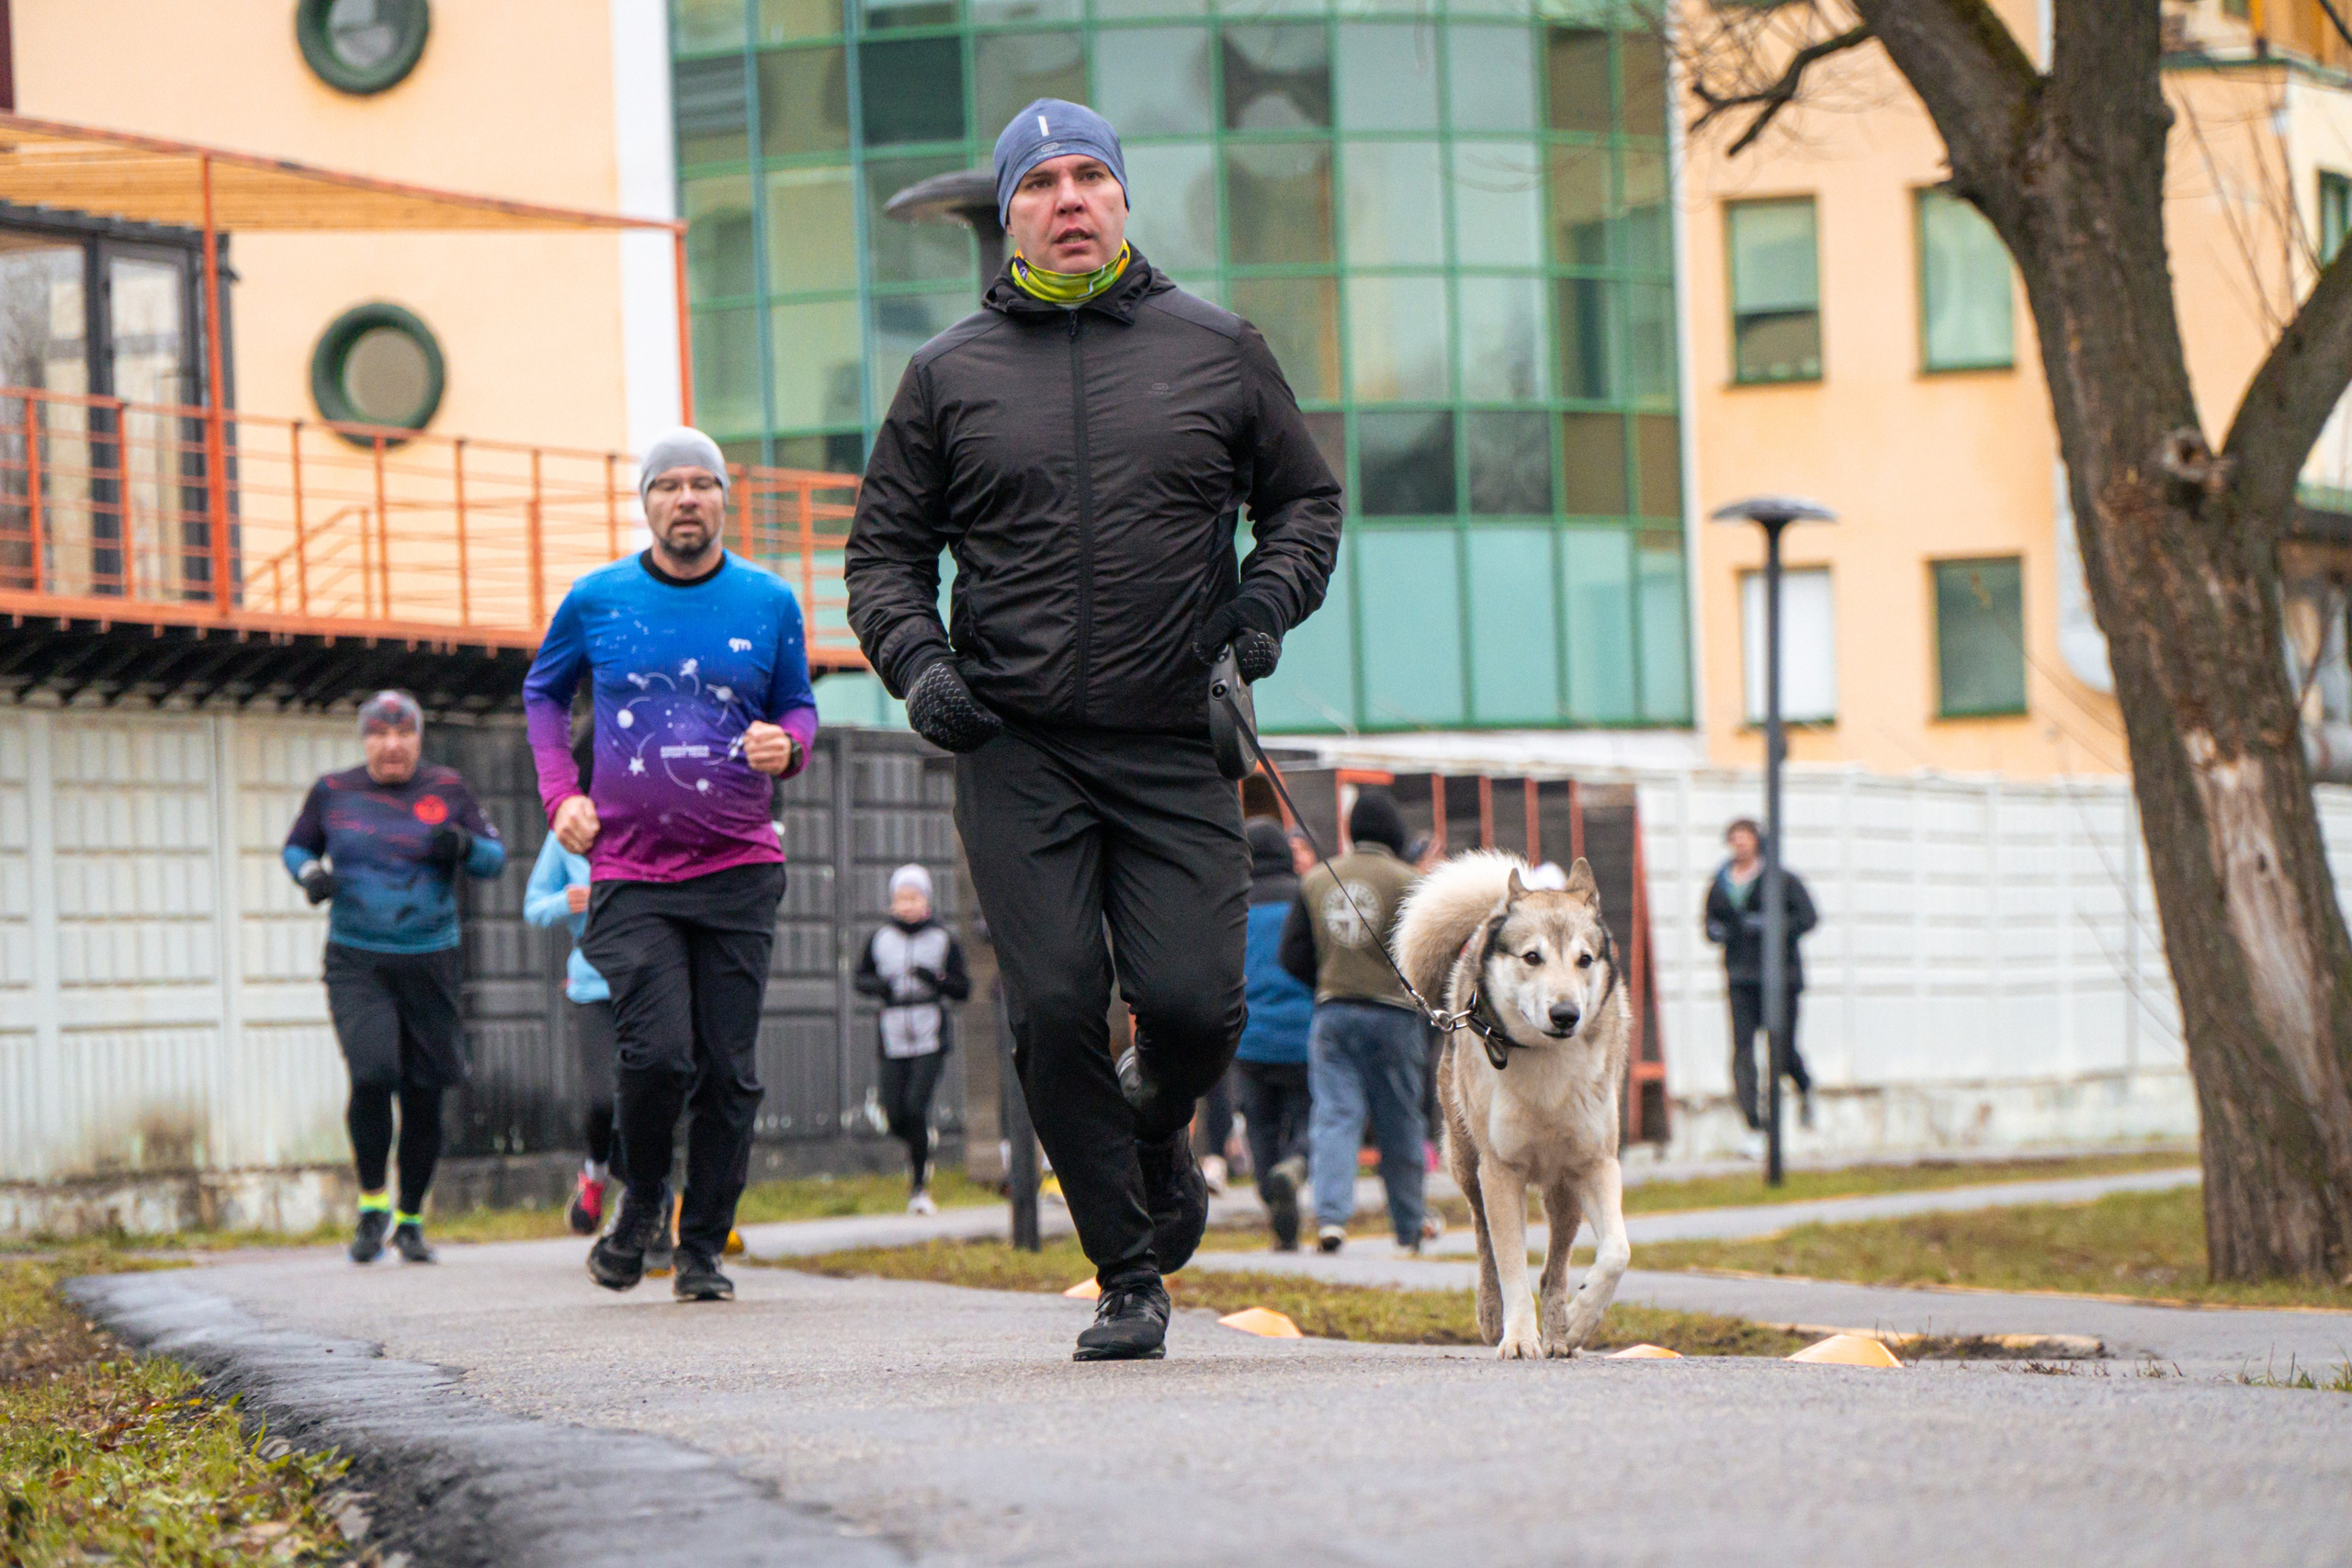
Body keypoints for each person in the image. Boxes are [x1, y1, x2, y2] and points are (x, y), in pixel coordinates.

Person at [844, 99, 1342, 1361]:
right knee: (1054, 1004)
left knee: (1191, 1004)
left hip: (1177, 731)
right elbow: (884, 556)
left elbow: (1305, 505)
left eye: (1090, 177)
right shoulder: (947, 373)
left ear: (1122, 200)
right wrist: (922, 669)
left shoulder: (1218, 348)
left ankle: (1160, 1115)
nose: (1069, 199)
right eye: (1041, 183)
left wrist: (1262, 613)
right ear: (1008, 211)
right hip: (1018, 743)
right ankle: (1128, 1267)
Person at [522, 426, 818, 1304]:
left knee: (729, 1071)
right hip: (632, 873)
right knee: (655, 1057)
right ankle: (642, 1194)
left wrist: (787, 746)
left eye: (703, 484)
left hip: (737, 869)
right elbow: (543, 692)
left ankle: (701, 1249)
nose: (686, 499)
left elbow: (797, 706)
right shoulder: (598, 598)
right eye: (668, 486)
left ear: (725, 498)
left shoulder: (769, 600)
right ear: (645, 502)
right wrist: (559, 793)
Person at [284, 690, 506, 1265]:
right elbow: (296, 848)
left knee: (425, 1094)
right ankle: (371, 1204)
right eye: (380, 734)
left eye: (403, 732)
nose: (392, 744)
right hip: (357, 959)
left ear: (418, 737)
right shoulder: (334, 791)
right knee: (373, 1072)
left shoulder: (449, 788)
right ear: (365, 739)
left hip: (431, 957)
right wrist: (311, 874)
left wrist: (461, 844)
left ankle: (410, 1219)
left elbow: (494, 859)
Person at [1281, 787, 1426, 1256]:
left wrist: (1330, 979)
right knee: (1400, 1120)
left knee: (1335, 1117)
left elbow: (1293, 955)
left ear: (1351, 829)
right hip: (1397, 1016)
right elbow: (1430, 955)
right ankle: (1408, 1225)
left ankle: (1331, 1220)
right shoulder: (1411, 882)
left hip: (1334, 1014)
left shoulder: (1317, 880)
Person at [523, 730, 619, 1238]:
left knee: (655, 1094)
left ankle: (652, 1199)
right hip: (592, 985)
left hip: (652, 980)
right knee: (604, 1100)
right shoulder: (566, 834)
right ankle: (596, 1177)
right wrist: (568, 901)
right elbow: (533, 906)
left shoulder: (648, 821)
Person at [852, 863, 971, 1213]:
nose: (906, 905)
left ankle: (919, 1188)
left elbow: (963, 988)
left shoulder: (943, 939)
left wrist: (934, 978)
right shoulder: (879, 938)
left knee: (916, 1106)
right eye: (900, 898)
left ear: (926, 900)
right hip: (891, 1033)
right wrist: (881, 987)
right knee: (895, 1115)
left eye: (913, 897)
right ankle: (921, 1139)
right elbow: (861, 979)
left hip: (929, 1033)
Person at [1704, 816, 1819, 1148]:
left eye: (1746, 837)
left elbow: (1809, 917)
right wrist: (1718, 931)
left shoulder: (1781, 880)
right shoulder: (1721, 883)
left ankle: (1804, 1086)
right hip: (1740, 977)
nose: (1739, 843)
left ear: (1757, 841)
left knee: (1780, 1049)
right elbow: (1710, 920)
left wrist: (1775, 927)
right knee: (1742, 1051)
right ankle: (1755, 1122)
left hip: (1780, 978)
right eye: (1734, 837)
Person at [1238, 818, 1314, 1250]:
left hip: (1250, 1039)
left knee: (1260, 1127)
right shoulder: (1306, 897)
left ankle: (1274, 1202)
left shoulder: (1232, 904)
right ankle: (1298, 1163)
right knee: (1309, 1118)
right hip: (1303, 1036)